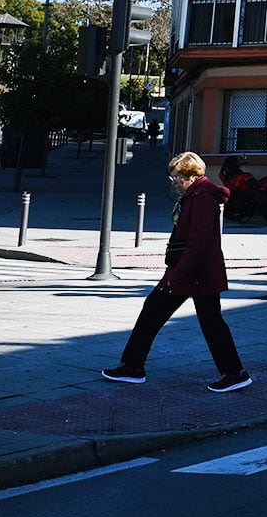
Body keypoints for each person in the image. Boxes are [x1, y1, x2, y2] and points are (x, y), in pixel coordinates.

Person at [102, 151, 252, 393]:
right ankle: (234, 373)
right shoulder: (195, 195)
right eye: (172, 178)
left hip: (194, 273)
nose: (175, 183)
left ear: (192, 177)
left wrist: (176, 276)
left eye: (178, 178)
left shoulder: (202, 197)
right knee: (205, 321)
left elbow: (198, 243)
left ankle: (133, 367)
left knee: (164, 313)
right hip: (195, 272)